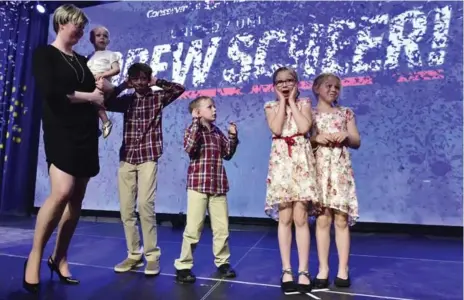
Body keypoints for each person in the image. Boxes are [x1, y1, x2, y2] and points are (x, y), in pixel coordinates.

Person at [24, 4, 105, 293]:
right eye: (77, 25)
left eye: (84, 27)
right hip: (60, 128)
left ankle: (59, 257)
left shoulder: (83, 60)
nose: (81, 31)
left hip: (85, 132)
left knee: (77, 199)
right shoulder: (45, 54)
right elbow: (52, 91)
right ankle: (35, 255)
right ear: (61, 23)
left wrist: (104, 92)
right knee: (61, 193)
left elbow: (97, 94)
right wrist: (90, 97)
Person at [101, 63, 185, 276]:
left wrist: (158, 82)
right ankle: (133, 255)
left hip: (148, 156)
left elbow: (179, 89)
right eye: (135, 79)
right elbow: (105, 102)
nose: (139, 82)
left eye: (143, 78)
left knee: (145, 205)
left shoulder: (158, 97)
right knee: (126, 210)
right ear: (131, 80)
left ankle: (152, 256)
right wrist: (122, 86)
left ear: (148, 79)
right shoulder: (127, 100)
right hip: (127, 157)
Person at [263, 66, 321, 294]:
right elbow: (277, 128)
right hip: (281, 161)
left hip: (300, 159)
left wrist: (293, 103)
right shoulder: (270, 106)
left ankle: (304, 270)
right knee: (284, 217)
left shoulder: (305, 103)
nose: (285, 85)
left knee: (301, 217)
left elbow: (305, 127)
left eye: (289, 81)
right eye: (280, 82)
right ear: (274, 86)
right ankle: (286, 269)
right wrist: (282, 102)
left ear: (297, 83)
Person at [174, 96, 239, 284]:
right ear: (198, 112)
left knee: (222, 229)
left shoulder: (217, 132)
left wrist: (233, 137)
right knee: (193, 228)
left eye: (214, 106)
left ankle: (223, 262)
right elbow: (190, 147)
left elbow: (227, 154)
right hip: (198, 186)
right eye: (210, 107)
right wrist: (195, 122)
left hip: (218, 186)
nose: (215, 110)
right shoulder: (194, 130)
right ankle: (183, 266)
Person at [310, 73, 360, 289]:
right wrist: (315, 138)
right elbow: (304, 141)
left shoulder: (345, 113)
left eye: (337, 87)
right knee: (322, 219)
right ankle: (323, 269)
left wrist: (346, 137)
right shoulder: (310, 114)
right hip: (320, 169)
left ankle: (343, 269)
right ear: (316, 88)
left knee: (341, 219)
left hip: (339, 170)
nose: (333, 90)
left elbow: (357, 140)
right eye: (328, 86)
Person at [87, 26, 121, 138]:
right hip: (91, 85)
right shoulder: (89, 57)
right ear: (92, 39)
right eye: (98, 35)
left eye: (105, 36)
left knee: (95, 98)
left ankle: (105, 122)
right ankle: (101, 124)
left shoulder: (110, 54)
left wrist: (102, 75)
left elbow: (116, 69)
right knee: (92, 103)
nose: (102, 38)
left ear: (108, 41)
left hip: (103, 83)